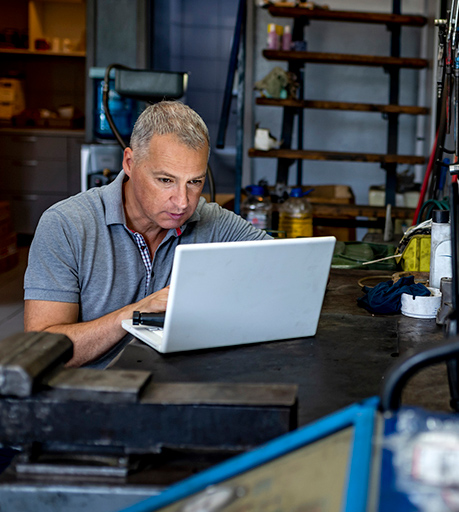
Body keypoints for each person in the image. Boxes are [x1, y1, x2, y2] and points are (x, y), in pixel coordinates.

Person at [24, 101, 271, 368]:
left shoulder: (213, 221)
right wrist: (136, 313)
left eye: (195, 182)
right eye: (165, 180)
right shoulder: (65, 225)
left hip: (181, 387)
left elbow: (287, 267)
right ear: (130, 162)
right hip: (94, 395)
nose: (182, 202)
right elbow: (41, 350)